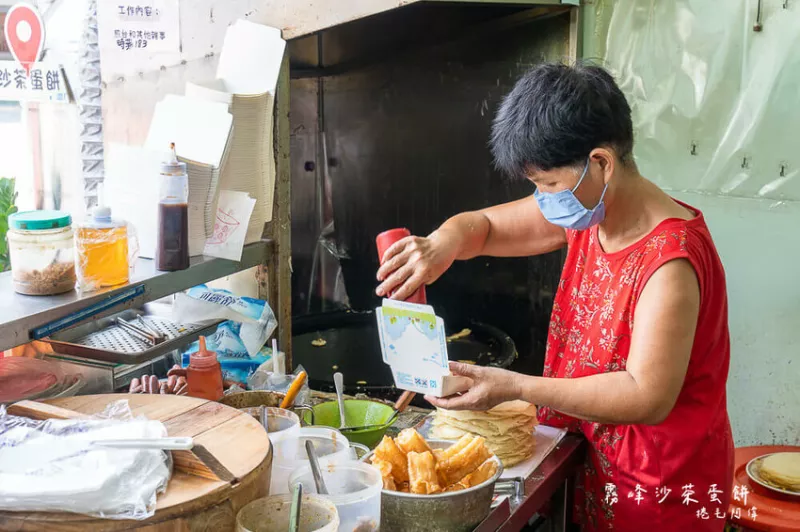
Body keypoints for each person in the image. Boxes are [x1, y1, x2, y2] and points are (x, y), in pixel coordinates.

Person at [375, 63, 734, 531]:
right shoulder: (587, 211)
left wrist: (515, 386)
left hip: (657, 489)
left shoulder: (669, 263)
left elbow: (646, 395)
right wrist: (442, 242)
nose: (542, 198)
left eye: (547, 184)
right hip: (588, 459)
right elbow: (482, 229)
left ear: (601, 163)